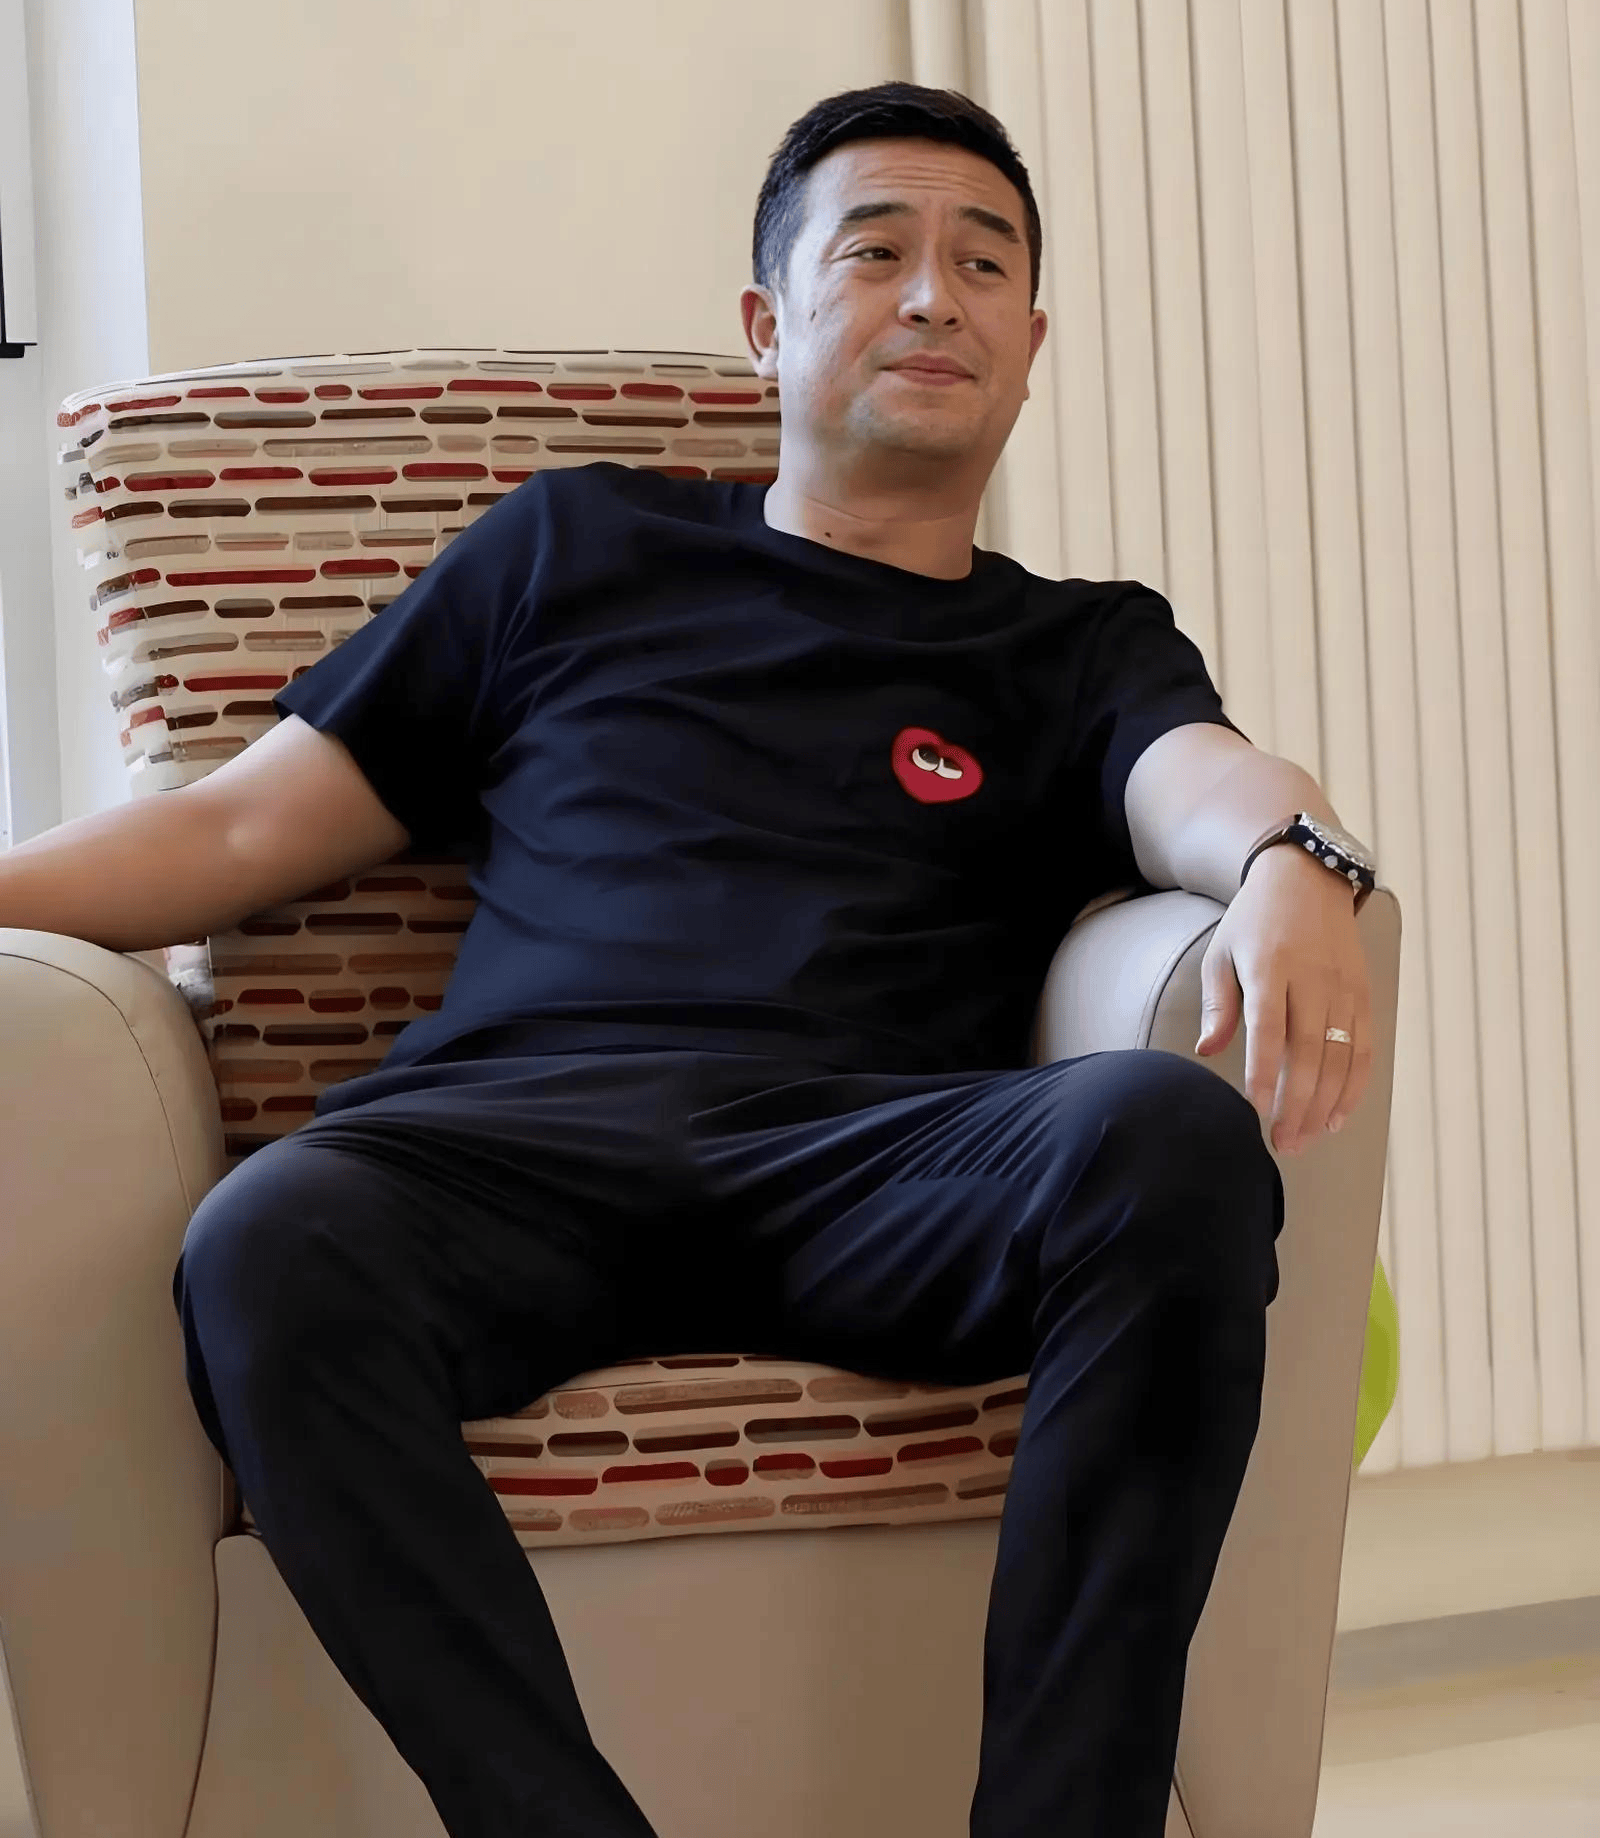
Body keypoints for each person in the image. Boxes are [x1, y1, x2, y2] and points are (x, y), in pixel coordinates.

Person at [2, 81, 1377, 1838]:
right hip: (524, 1143)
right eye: (873, 252)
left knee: (1171, 1139)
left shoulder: (1078, 643)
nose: (934, 296)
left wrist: (1293, 857)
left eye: (984, 264)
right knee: (269, 1242)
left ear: (1031, 347)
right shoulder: (574, 548)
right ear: (766, 322)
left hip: (879, 1160)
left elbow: (1206, 780)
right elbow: (237, 831)